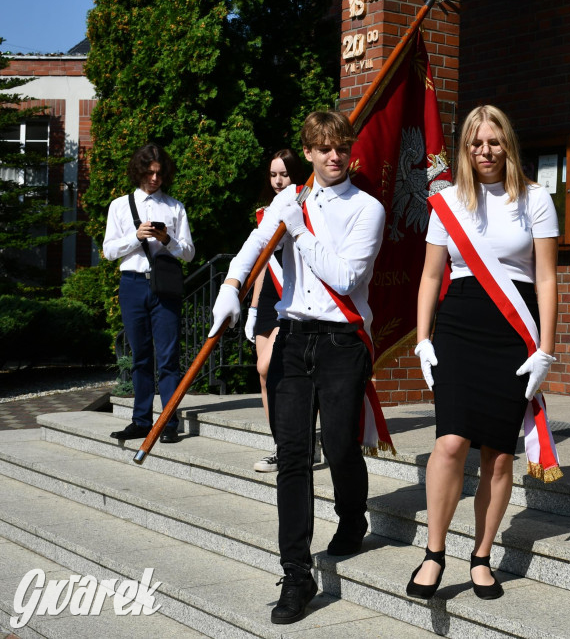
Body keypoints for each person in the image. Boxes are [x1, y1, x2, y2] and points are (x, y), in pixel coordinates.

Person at [206, 111, 385, 624]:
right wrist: (229, 287)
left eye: (341, 147)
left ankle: (352, 516)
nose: (334, 156)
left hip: (341, 341)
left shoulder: (366, 209)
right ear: (307, 152)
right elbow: (252, 248)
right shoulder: (290, 200)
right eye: (324, 148)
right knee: (292, 457)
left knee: (342, 444)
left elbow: (347, 277)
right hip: (293, 338)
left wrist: (299, 229)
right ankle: (297, 573)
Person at [407, 105, 558, 601]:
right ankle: (433, 552)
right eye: (476, 143)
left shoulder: (535, 198)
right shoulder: (446, 201)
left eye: (494, 142)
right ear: (465, 149)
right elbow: (431, 276)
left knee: (497, 454)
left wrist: (547, 352)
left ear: (507, 144)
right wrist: (423, 338)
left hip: (513, 331)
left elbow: (547, 278)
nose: (485, 151)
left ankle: (481, 556)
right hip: (458, 325)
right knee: (450, 442)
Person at [102, 143, 195, 444]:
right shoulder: (120, 205)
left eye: (159, 173)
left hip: (164, 285)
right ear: (139, 171)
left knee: (168, 357)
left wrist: (167, 239)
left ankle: (168, 422)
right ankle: (141, 420)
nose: (154, 179)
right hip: (132, 284)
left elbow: (190, 254)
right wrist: (136, 237)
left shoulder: (174, 207)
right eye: (149, 173)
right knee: (140, 356)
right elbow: (108, 250)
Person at [243, 148, 307, 473]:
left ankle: (294, 444)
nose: (278, 180)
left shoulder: (305, 206)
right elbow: (262, 265)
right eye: (273, 174)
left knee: (270, 368)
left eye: (284, 173)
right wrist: (253, 309)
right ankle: (281, 446)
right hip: (267, 298)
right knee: (263, 375)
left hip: (292, 299)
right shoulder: (263, 212)